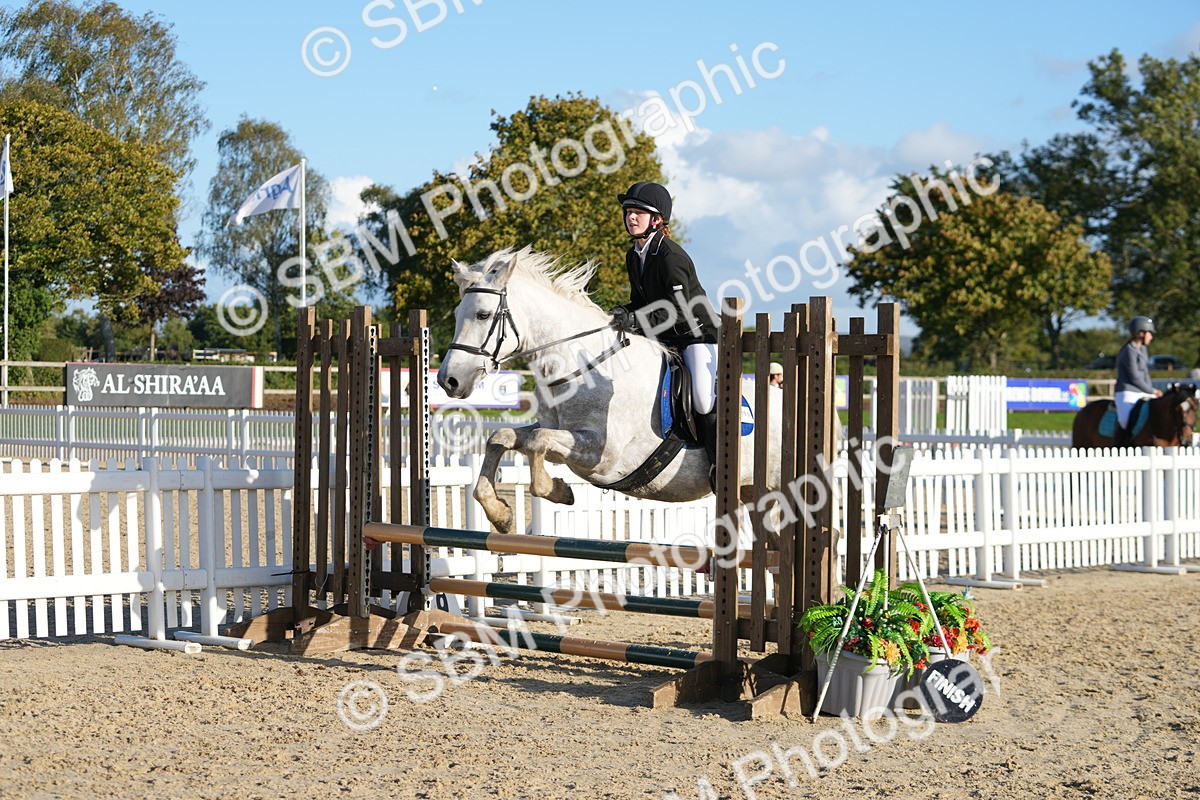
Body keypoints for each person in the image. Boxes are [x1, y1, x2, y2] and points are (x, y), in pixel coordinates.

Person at [608, 181, 720, 488]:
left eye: (638, 213)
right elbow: (643, 304)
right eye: (628, 212)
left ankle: (719, 465)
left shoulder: (670, 256)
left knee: (701, 396)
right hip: (666, 336)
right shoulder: (635, 255)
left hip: (697, 336)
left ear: (656, 220)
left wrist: (634, 318)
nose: (631, 217)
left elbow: (679, 311)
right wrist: (620, 312)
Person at [1114, 315, 1162, 444]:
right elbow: (1134, 377)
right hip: (1127, 393)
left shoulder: (1143, 349)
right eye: (1149, 333)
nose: (1151, 337)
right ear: (1141, 333)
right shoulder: (1129, 350)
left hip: (1143, 391)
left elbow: (1145, 373)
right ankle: (1120, 445)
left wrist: (1152, 391)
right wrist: (1152, 390)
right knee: (1125, 422)